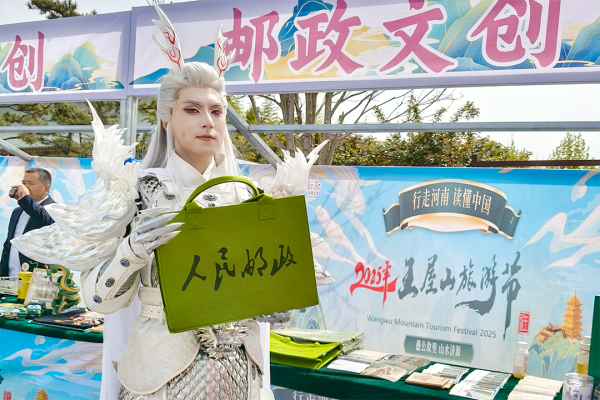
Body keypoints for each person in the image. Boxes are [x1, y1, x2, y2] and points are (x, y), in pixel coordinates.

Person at [11, 6, 331, 400]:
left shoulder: (249, 196)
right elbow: (97, 299)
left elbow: (270, 287)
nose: (207, 121)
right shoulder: (137, 191)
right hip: (159, 374)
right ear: (166, 119)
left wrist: (274, 299)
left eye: (216, 111)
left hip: (240, 374)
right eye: (192, 109)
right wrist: (131, 251)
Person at [0, 167, 55, 277]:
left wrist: (26, 199)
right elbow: (8, 245)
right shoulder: (17, 211)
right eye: (24, 183)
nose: (25, 187)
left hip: (37, 279)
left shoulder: (54, 209)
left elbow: (44, 220)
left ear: (46, 188)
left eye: (30, 183)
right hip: (11, 278)